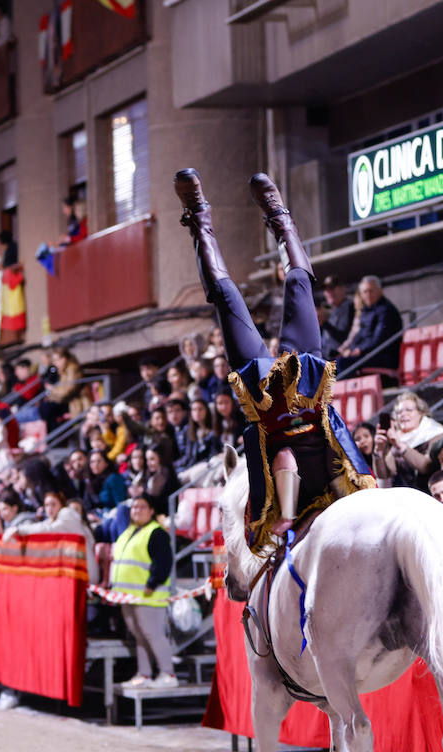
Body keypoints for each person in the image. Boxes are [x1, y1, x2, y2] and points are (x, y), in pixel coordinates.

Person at [174, 168, 374, 553]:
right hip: (306, 387)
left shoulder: (285, 518)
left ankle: (198, 218)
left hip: (268, 403)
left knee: (227, 297)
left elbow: (283, 459)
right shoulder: (341, 494)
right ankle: (280, 218)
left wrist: (285, 518)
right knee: (299, 285)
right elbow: (346, 475)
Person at [109, 494, 178, 689]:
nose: (136, 510)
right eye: (134, 507)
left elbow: (164, 562)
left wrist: (152, 582)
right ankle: (145, 674)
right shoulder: (129, 532)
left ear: (151, 510)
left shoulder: (156, 532)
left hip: (148, 596)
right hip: (128, 596)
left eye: (141, 507)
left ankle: (168, 673)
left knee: (153, 634)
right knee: (139, 636)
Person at [336, 275, 403, 374]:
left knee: (341, 364)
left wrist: (359, 350)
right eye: (365, 292)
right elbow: (360, 335)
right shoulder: (366, 311)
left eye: (371, 291)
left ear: (380, 291)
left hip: (384, 356)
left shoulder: (386, 310)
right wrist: (350, 350)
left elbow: (379, 339)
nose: (368, 295)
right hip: (368, 354)